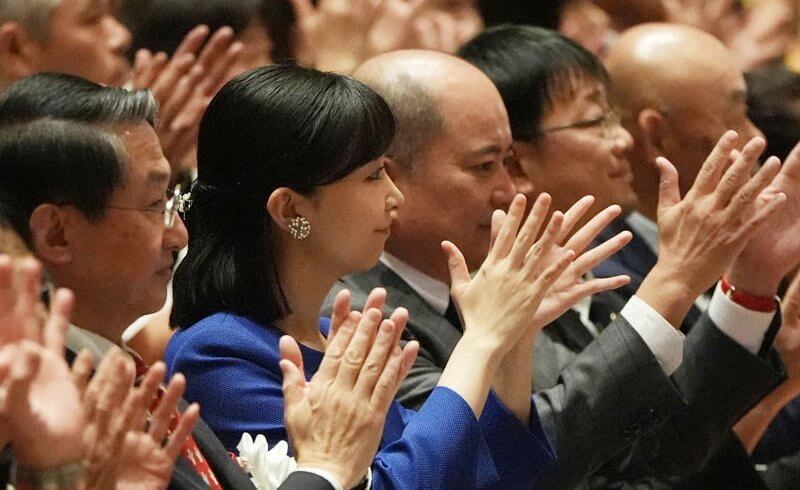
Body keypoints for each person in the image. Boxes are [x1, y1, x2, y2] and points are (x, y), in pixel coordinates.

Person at [330, 46, 788, 488]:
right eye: (486, 165)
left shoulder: (497, 275)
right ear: (388, 176)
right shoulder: (355, 316)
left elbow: (649, 449)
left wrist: (750, 285)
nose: (510, 191)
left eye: (508, 163)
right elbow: (511, 464)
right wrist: (675, 280)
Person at [0, 73, 413, 490]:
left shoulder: (125, 378)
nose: (179, 233)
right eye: (154, 205)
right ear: (57, 233)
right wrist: (325, 468)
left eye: (171, 200)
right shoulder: (28, 410)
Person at [165, 63, 565, 489]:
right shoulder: (217, 354)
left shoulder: (333, 336)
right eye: (373, 175)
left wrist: (514, 341)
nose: (396, 196)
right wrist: (481, 340)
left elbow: (485, 472)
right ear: (292, 211)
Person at [460, 24, 800, 486]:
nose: (622, 139)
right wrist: (679, 278)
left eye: (612, 116)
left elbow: (669, 456)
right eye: (594, 121)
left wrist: (753, 287)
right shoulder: (445, 319)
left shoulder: (607, 282)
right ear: (516, 163)